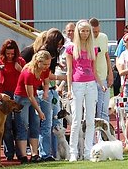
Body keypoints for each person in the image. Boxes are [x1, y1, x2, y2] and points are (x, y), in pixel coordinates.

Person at [66, 20, 105, 161]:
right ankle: (73, 152)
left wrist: (100, 84)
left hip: (91, 84)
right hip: (77, 85)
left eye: (87, 31)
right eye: (82, 30)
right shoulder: (71, 48)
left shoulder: (93, 49)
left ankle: (88, 151)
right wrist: (69, 88)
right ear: (78, 31)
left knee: (90, 120)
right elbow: (69, 71)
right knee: (76, 120)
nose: (85, 33)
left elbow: (94, 70)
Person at [0, 39, 26, 161]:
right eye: (8, 54)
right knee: (6, 126)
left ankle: (21, 153)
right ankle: (9, 153)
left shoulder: (20, 62)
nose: (10, 56)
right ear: (4, 52)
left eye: (12, 54)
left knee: (19, 125)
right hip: (4, 96)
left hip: (18, 95)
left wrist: (20, 69)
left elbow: (27, 78)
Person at [13, 50, 49, 164]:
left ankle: (35, 154)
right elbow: (29, 96)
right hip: (22, 98)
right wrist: (39, 110)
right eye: (44, 64)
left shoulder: (44, 71)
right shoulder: (29, 72)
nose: (46, 67)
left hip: (34, 97)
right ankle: (23, 155)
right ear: (38, 62)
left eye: (48, 64)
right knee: (23, 125)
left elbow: (46, 81)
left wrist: (45, 92)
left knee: (35, 125)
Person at [37, 28, 65, 161]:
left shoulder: (53, 53)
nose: (60, 46)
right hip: (45, 91)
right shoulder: (44, 53)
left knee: (56, 122)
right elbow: (45, 75)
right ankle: (45, 153)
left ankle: (55, 152)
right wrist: (65, 78)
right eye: (59, 43)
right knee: (47, 124)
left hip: (52, 90)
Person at [89, 17, 113, 122]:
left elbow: (106, 55)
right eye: (94, 32)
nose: (96, 34)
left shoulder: (103, 37)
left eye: (98, 31)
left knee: (103, 110)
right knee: (91, 110)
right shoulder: (85, 40)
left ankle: (104, 137)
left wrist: (110, 73)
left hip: (103, 77)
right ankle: (91, 137)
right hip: (90, 79)